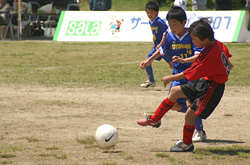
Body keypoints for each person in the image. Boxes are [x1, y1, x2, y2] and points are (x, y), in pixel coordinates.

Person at [138, 18, 233, 152]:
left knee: (189, 114)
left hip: (212, 88)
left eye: (194, 39)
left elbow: (187, 73)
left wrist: (170, 77)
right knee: (175, 91)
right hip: (206, 81)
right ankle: (154, 119)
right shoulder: (217, 44)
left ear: (203, 38)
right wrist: (225, 69)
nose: (192, 41)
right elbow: (229, 64)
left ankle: (187, 144)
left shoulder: (209, 55)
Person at [138, 6, 206, 142]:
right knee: (173, 104)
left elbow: (199, 56)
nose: (172, 27)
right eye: (170, 24)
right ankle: (157, 120)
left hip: (192, 75)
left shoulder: (192, 36)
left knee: (190, 104)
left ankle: (199, 132)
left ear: (184, 22)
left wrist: (184, 60)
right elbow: (162, 50)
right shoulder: (169, 35)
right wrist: (149, 61)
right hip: (177, 74)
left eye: (175, 24)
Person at [140, 1, 171, 88]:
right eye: (148, 12)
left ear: (157, 12)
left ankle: (181, 78)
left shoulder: (159, 21)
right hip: (156, 47)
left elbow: (166, 33)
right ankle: (151, 81)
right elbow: (156, 33)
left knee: (172, 65)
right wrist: (154, 38)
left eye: (151, 12)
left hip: (164, 47)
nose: (149, 14)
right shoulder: (151, 22)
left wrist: (161, 43)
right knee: (147, 62)